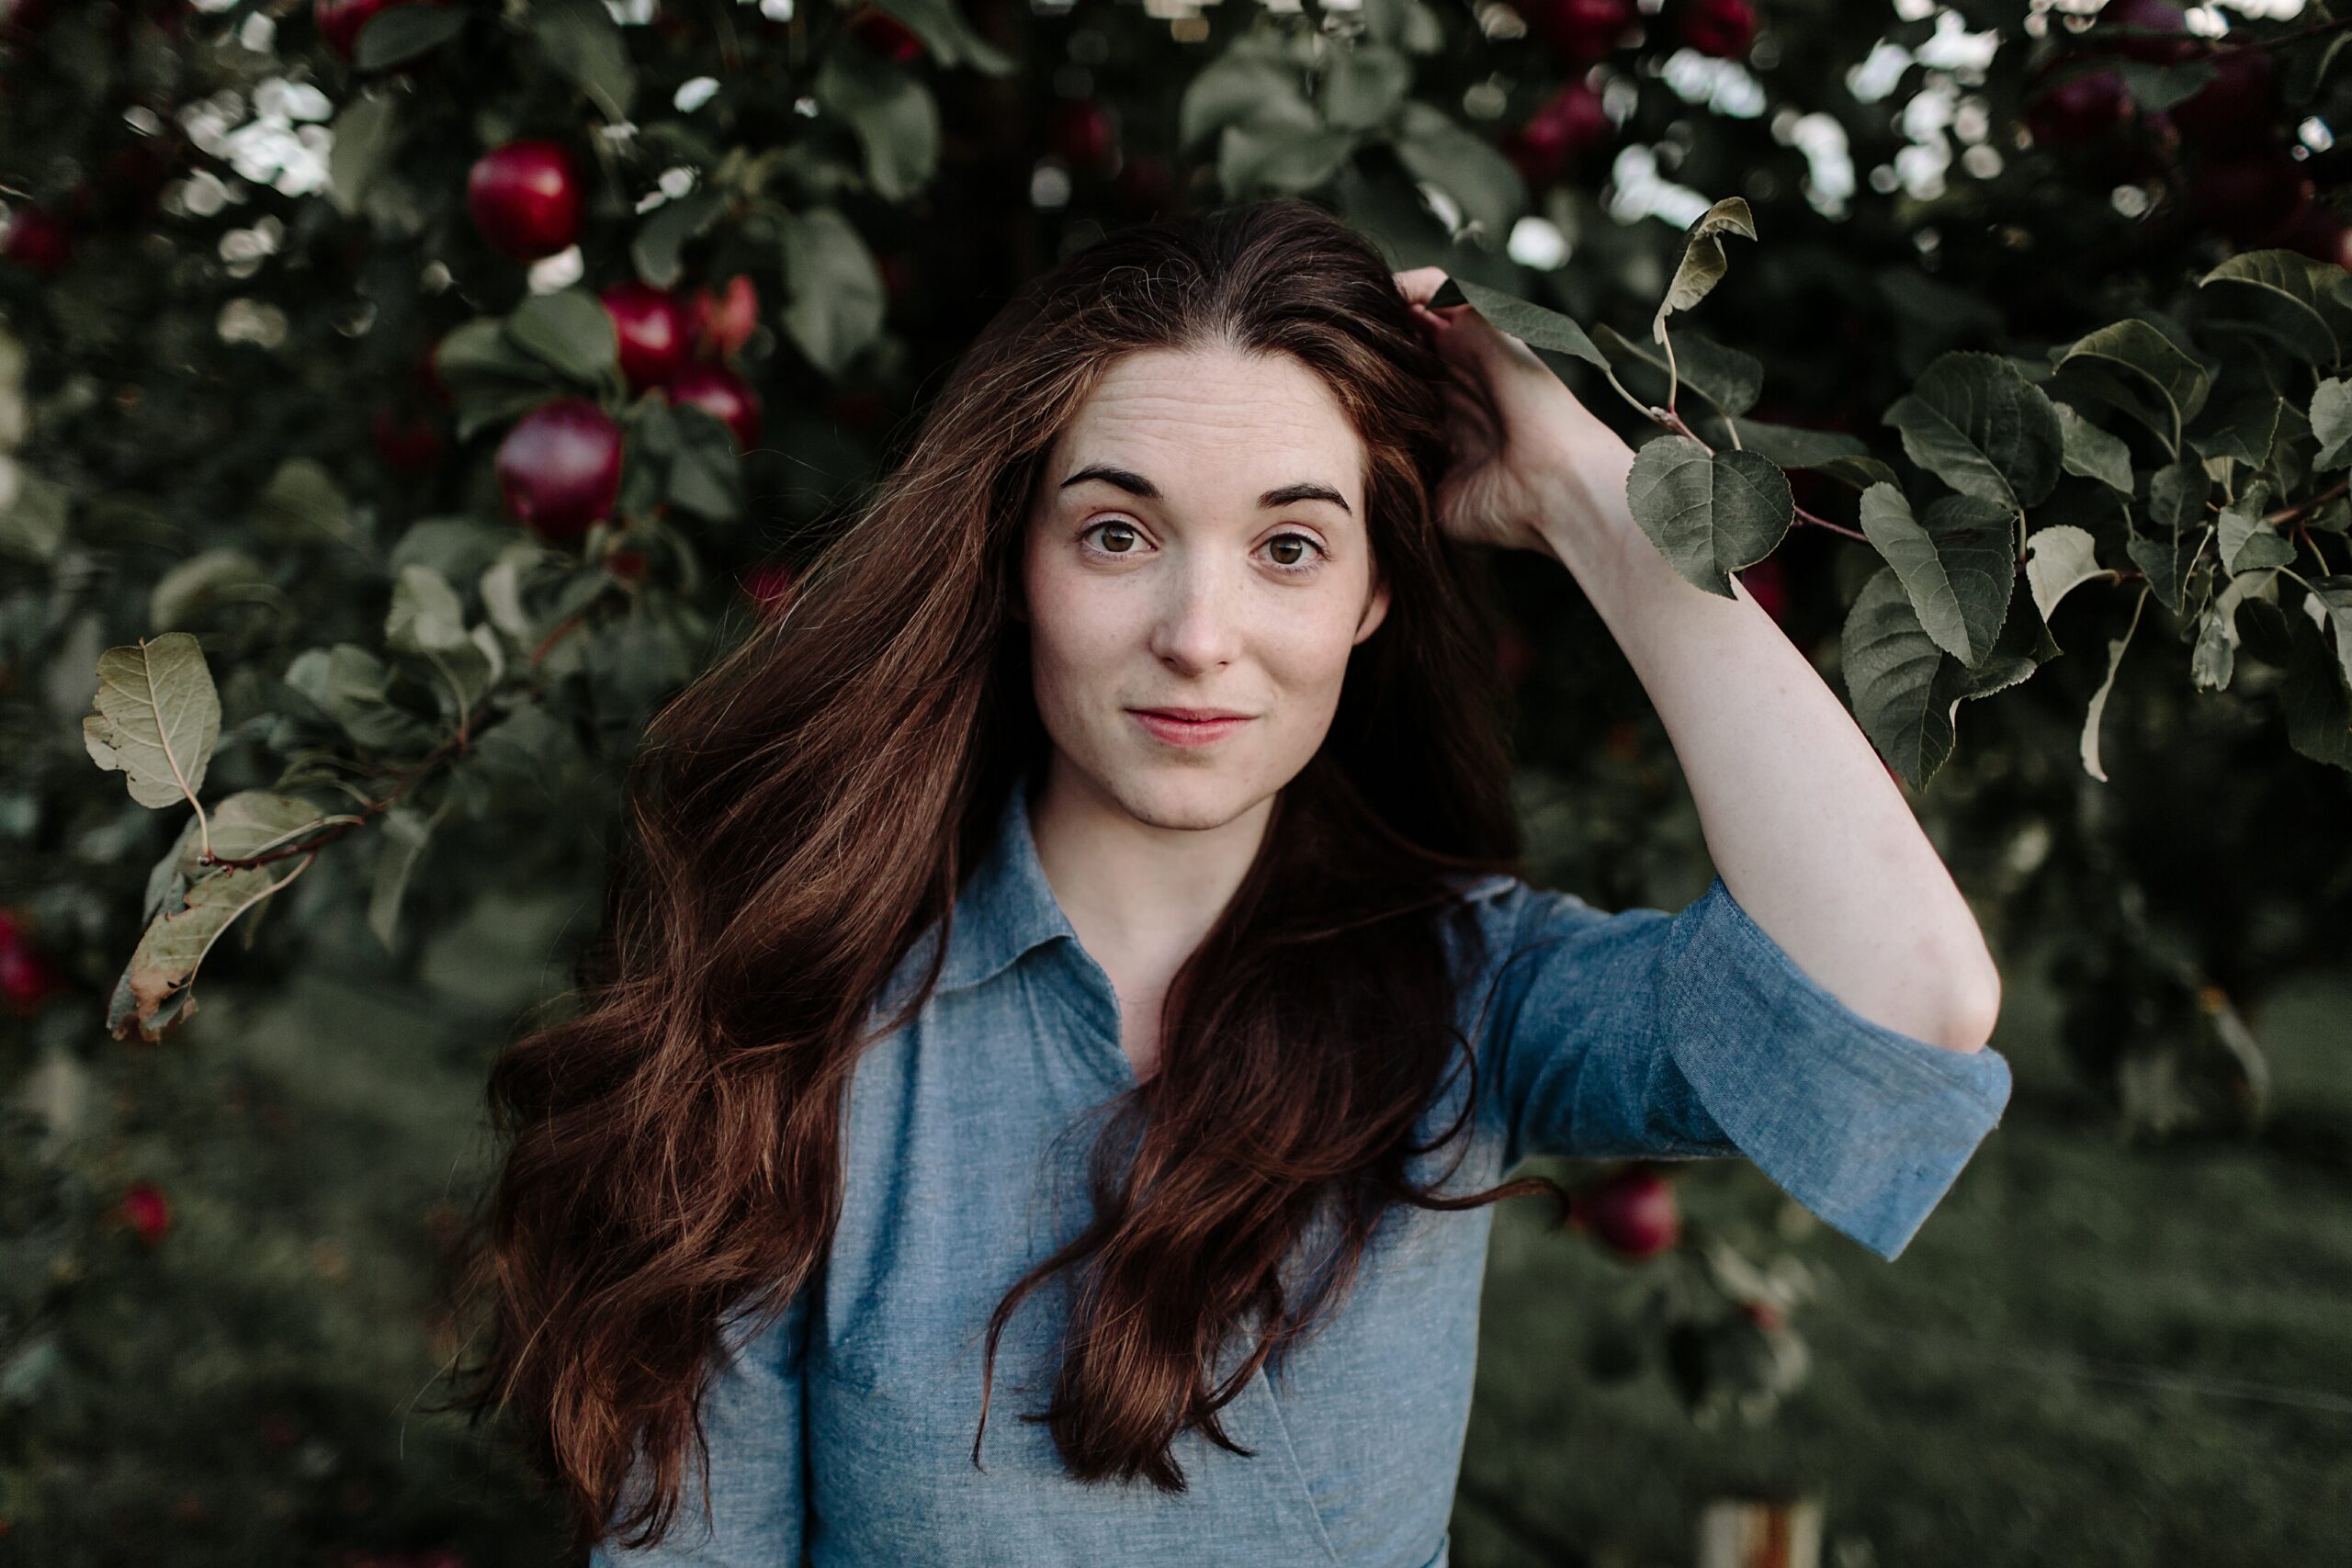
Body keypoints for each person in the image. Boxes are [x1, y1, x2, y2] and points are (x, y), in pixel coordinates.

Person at [442, 197, 2013, 1568]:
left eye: (1289, 548)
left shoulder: (1475, 990)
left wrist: (1593, 501)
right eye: (1119, 534)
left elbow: (1909, 998)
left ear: (1377, 591)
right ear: (1014, 565)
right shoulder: (804, 1016)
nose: (1201, 633)